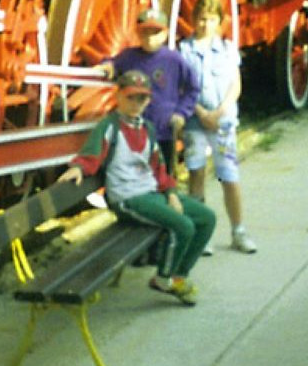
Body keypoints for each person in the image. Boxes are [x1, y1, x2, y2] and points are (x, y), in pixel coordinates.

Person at [57, 70, 215, 305]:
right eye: (130, 97)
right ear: (118, 96)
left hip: (151, 193)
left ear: (148, 100)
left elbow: (159, 167)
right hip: (128, 198)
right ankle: (163, 279)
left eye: (141, 99)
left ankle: (178, 275)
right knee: (183, 226)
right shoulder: (110, 126)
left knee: (206, 218)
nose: (135, 104)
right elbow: (91, 154)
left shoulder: (146, 128)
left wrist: (171, 193)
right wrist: (79, 168)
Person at [177, 0, 257, 255]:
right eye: (201, 19)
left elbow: (236, 85)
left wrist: (220, 111)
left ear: (219, 22)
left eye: (211, 20)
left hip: (222, 124)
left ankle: (239, 231)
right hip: (194, 122)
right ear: (193, 20)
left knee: (228, 175)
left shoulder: (226, 49)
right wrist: (201, 112)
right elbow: (181, 88)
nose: (205, 24)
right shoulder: (184, 51)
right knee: (196, 174)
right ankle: (201, 233)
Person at [99, 8, 200, 176]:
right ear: (138, 34)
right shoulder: (129, 56)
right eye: (145, 32)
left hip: (163, 131)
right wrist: (108, 64)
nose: (150, 38)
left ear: (165, 34)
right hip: (135, 131)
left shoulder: (174, 59)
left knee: (164, 175)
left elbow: (192, 88)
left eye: (156, 33)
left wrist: (182, 113)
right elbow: (112, 63)